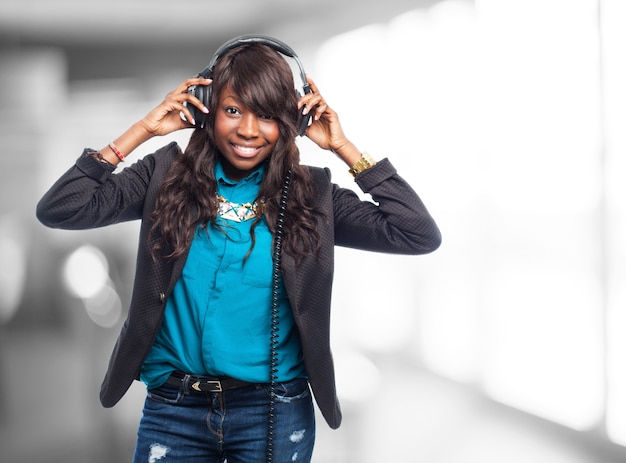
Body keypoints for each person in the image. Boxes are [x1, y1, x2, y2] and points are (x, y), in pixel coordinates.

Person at [36, 36, 441, 463]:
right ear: (206, 108)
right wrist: (142, 131)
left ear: (292, 121)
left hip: (273, 410)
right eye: (233, 110)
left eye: (267, 115)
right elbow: (61, 208)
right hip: (175, 408)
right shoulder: (163, 177)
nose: (248, 130)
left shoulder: (312, 196)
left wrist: (344, 148)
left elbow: (416, 233)